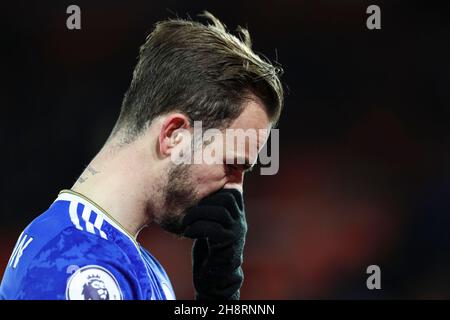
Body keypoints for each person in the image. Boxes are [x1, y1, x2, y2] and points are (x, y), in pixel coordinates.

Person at [0, 11, 284, 300]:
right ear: (174, 135)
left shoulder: (137, 265)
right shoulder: (74, 262)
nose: (235, 190)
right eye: (232, 165)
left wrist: (219, 293)